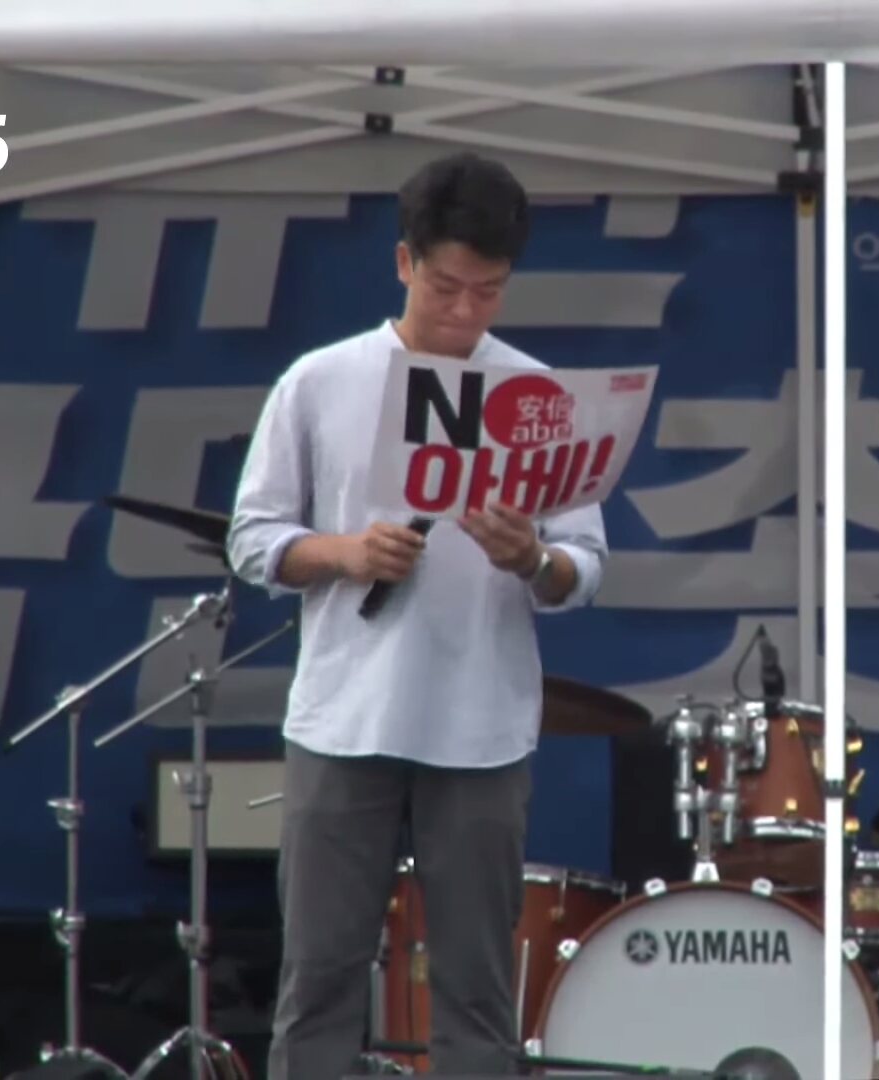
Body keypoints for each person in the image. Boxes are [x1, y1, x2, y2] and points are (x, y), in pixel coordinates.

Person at [226, 151, 608, 1078]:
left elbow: (586, 566)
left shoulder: (537, 394)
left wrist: (533, 559)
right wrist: (343, 553)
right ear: (404, 263)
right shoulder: (321, 380)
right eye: (446, 287)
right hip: (345, 715)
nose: (466, 312)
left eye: (489, 291)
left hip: (481, 725)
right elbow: (251, 538)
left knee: (477, 990)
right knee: (319, 980)